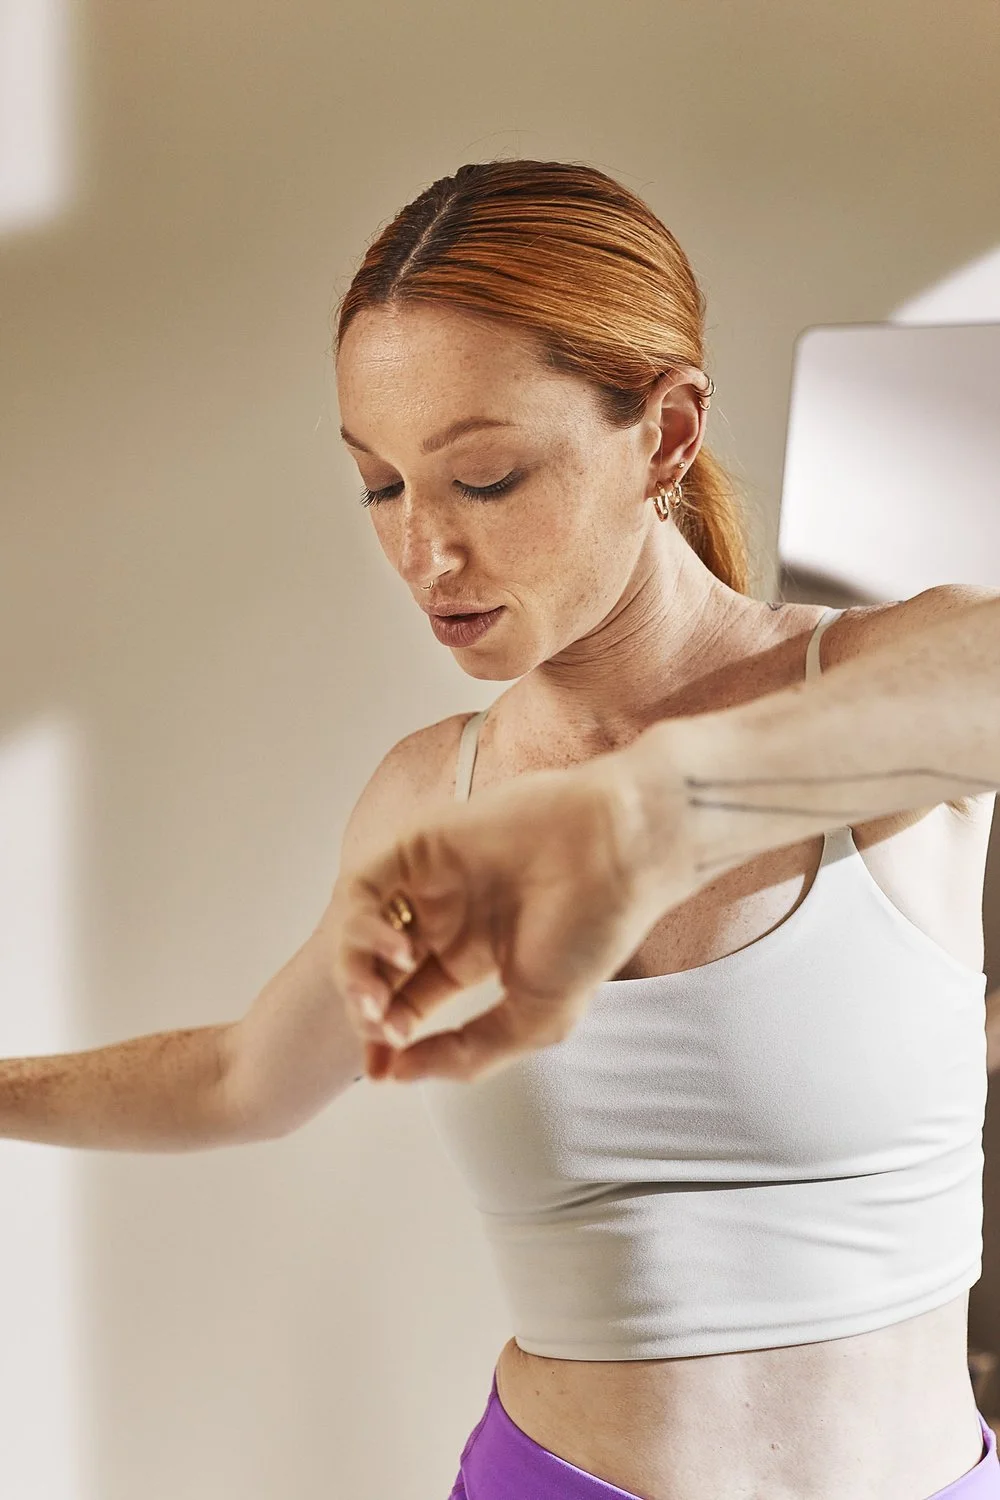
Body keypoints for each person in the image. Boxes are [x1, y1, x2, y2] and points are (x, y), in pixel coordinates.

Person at [1, 158, 997, 1498]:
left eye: (485, 478)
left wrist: (647, 814)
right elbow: (245, 1078)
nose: (425, 554)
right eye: (379, 486)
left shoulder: (889, 686)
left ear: (667, 433)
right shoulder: (431, 794)